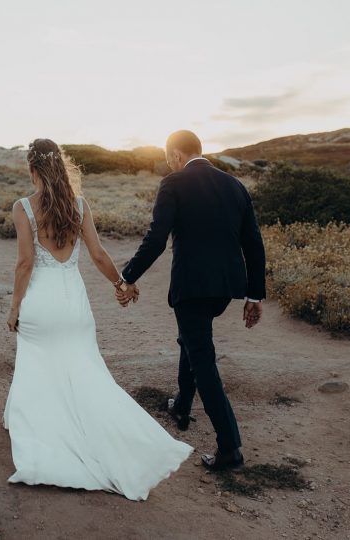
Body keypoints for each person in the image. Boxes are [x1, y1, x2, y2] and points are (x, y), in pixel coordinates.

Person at [2, 138, 193, 501]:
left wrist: (14, 308)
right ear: (60, 166)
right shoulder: (79, 205)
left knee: (37, 365)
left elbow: (25, 264)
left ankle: (46, 431)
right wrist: (121, 283)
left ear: (32, 169)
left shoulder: (22, 208)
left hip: (41, 304)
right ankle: (109, 435)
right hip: (73, 304)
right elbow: (99, 254)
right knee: (84, 369)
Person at [116, 130, 266, 471]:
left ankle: (230, 447)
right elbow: (253, 244)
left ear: (174, 156)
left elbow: (156, 238)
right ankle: (182, 405)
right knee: (193, 338)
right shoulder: (234, 186)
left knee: (202, 357)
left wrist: (127, 277)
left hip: (191, 285)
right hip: (225, 288)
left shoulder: (173, 183)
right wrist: (254, 295)